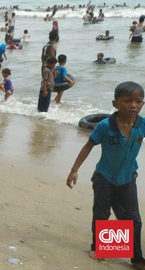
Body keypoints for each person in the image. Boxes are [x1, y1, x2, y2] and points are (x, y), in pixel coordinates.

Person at [66, 81, 145, 270]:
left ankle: (136, 258)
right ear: (115, 103)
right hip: (104, 178)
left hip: (128, 178)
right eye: (128, 101)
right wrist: (74, 170)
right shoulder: (104, 126)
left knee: (134, 219)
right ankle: (98, 247)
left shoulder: (142, 124)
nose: (134, 105)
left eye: (139, 101)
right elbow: (88, 146)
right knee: (102, 214)